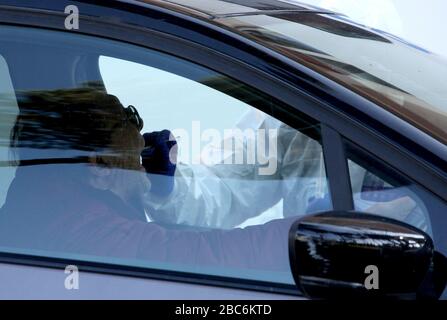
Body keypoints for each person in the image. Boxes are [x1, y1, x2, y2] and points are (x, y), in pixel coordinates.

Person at [0, 87, 293, 271]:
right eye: (128, 119)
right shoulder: (88, 234)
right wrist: (314, 237)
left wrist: (165, 186)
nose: (142, 135)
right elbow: (206, 257)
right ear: (100, 165)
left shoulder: (49, 203)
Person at [141, 108, 424, 230]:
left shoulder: (420, 129)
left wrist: (349, 218)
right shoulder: (288, 118)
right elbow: (225, 186)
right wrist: (168, 184)